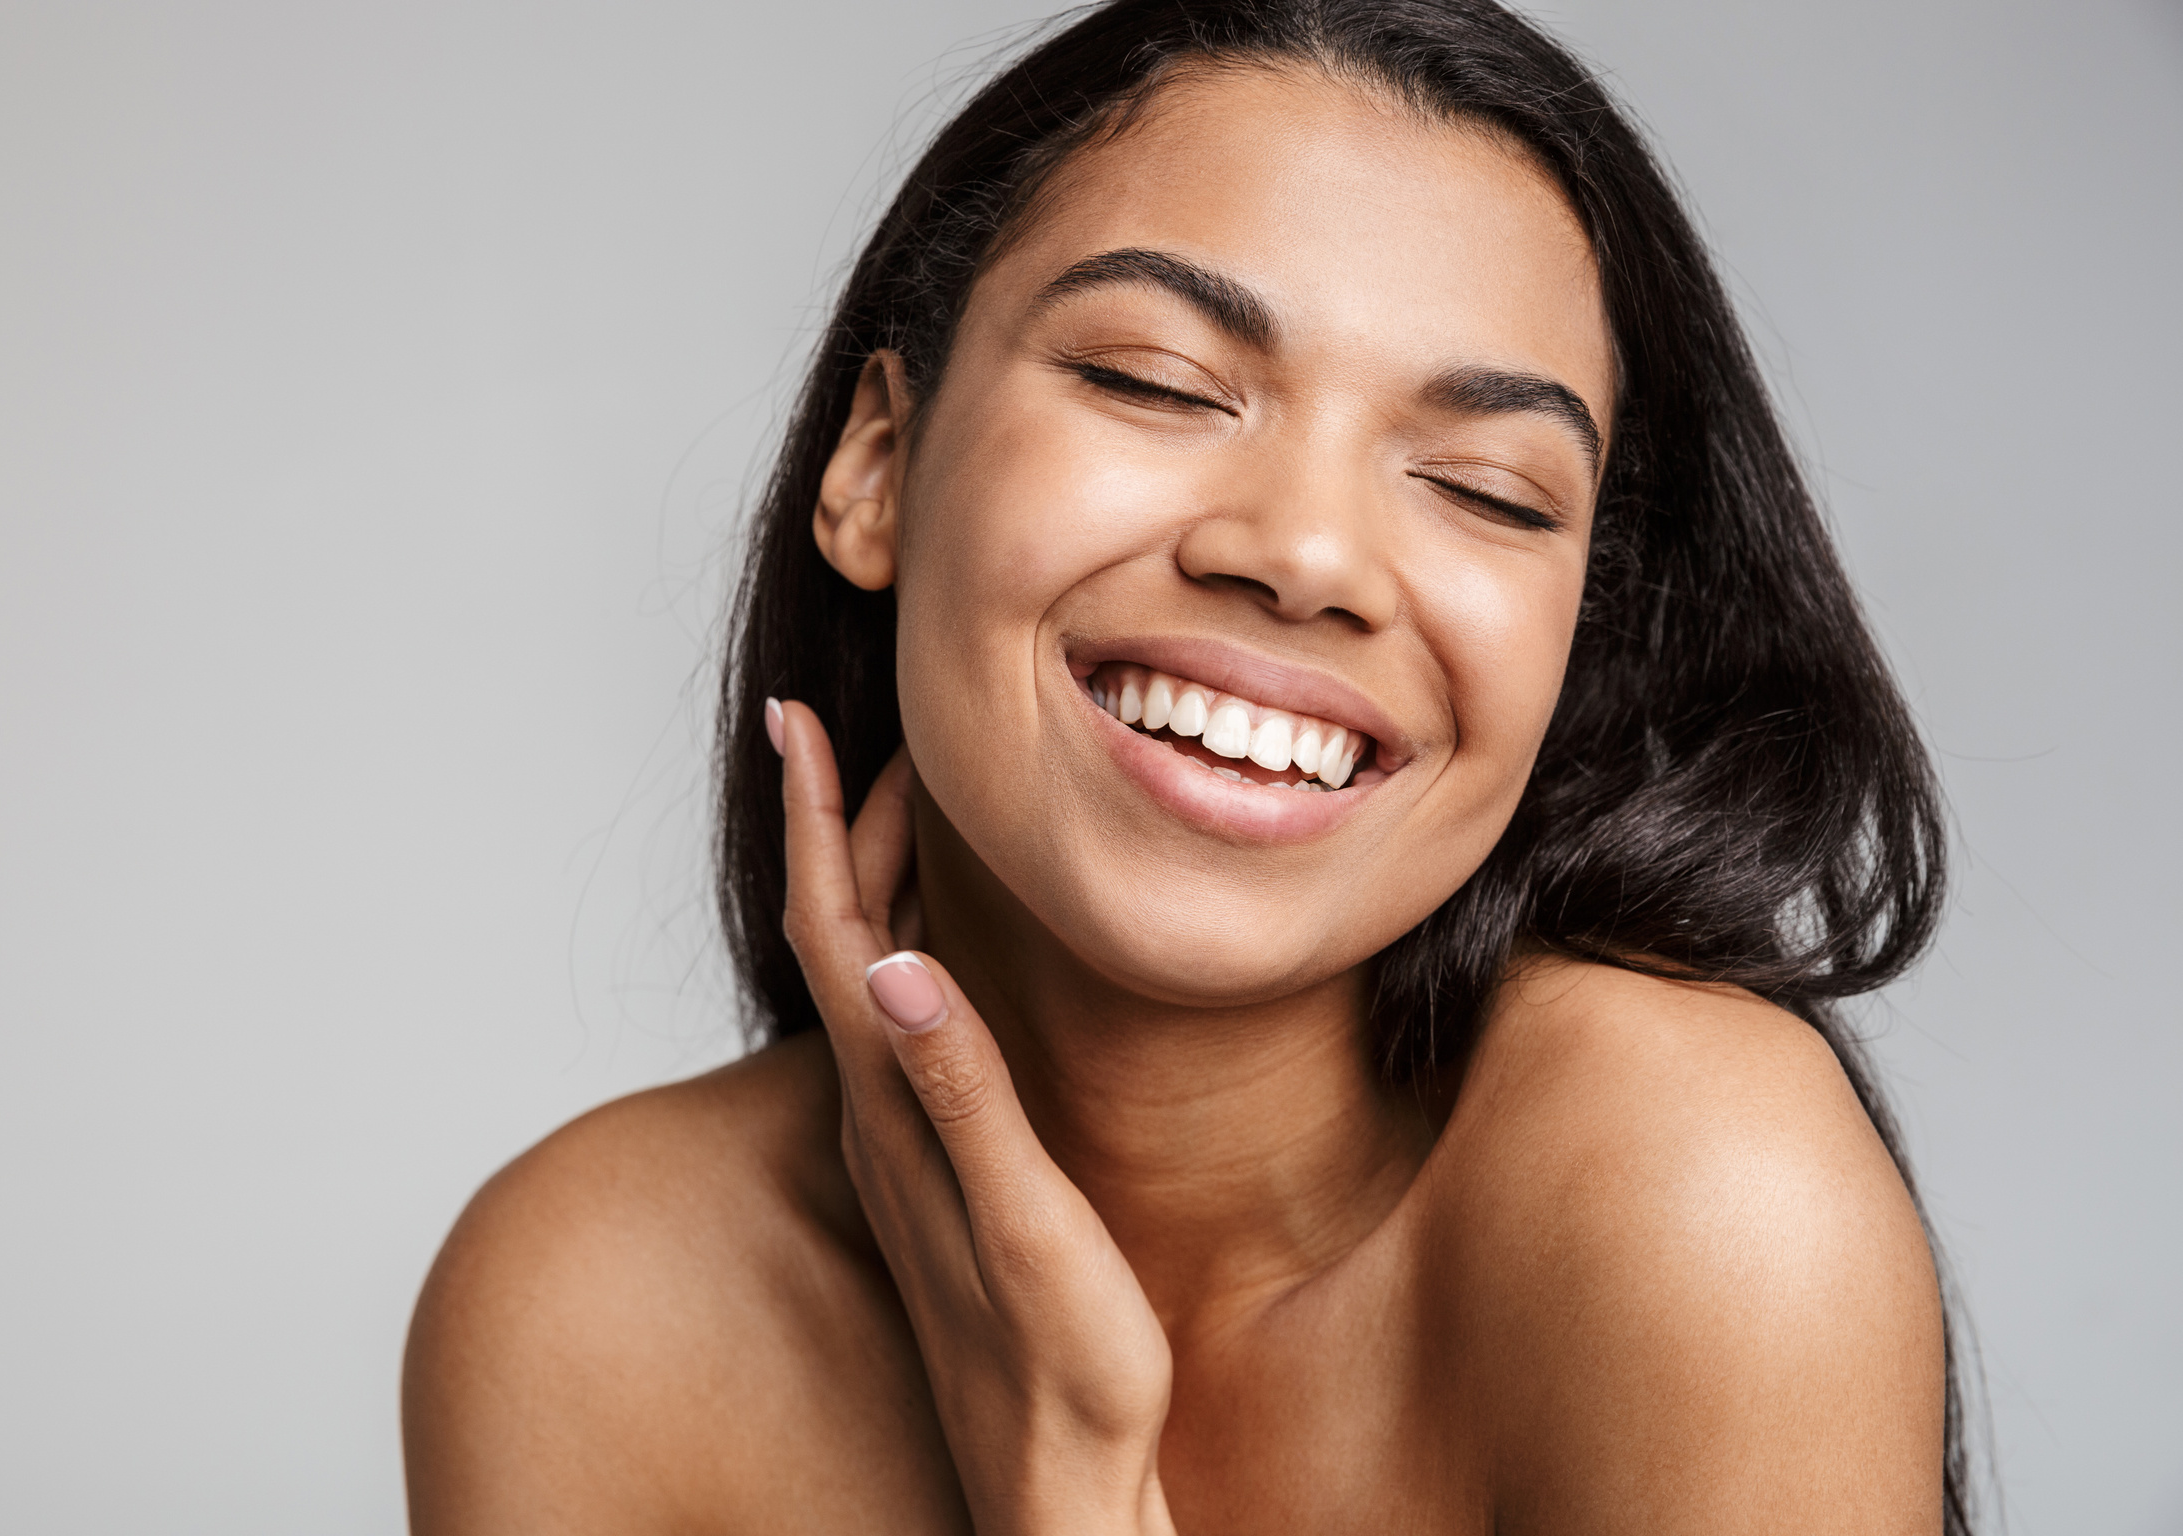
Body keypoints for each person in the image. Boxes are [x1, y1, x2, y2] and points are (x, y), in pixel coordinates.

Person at [401, 1, 1971, 1530]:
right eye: (1158, 382)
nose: (1304, 555)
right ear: (880, 464)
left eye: (1487, 489)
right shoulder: (589, 1307)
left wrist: (1073, 1486)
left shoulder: (1701, 1204)